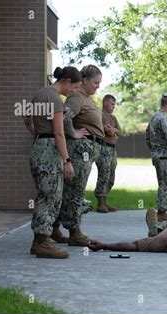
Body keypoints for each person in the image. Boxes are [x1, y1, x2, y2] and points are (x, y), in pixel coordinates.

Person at [24, 66, 82, 259]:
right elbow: (59, 133)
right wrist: (67, 160)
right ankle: (43, 243)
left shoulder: (39, 94)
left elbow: (30, 124)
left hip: (38, 147)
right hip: (50, 151)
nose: (73, 91)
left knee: (44, 194)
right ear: (66, 81)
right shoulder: (55, 99)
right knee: (51, 197)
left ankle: (38, 241)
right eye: (74, 87)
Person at [53, 64, 105, 246]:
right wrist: (74, 133)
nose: (98, 86)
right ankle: (74, 232)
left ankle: (54, 228)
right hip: (80, 150)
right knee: (76, 192)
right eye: (96, 82)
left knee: (72, 191)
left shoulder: (87, 98)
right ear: (84, 80)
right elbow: (65, 118)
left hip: (89, 150)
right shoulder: (77, 97)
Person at [145, 93, 167, 222]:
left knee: (162, 183)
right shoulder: (165, 118)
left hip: (158, 156)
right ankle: (162, 212)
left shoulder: (154, 117)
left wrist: (155, 151)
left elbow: (147, 138)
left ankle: (161, 210)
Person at [94, 94, 122, 213]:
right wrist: (113, 131)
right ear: (105, 103)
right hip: (103, 148)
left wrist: (114, 130)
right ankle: (100, 203)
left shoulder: (113, 118)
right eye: (112, 103)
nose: (114, 106)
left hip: (112, 149)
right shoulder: (99, 115)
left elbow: (120, 132)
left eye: (114, 104)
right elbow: (108, 133)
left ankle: (105, 202)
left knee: (111, 177)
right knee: (103, 175)